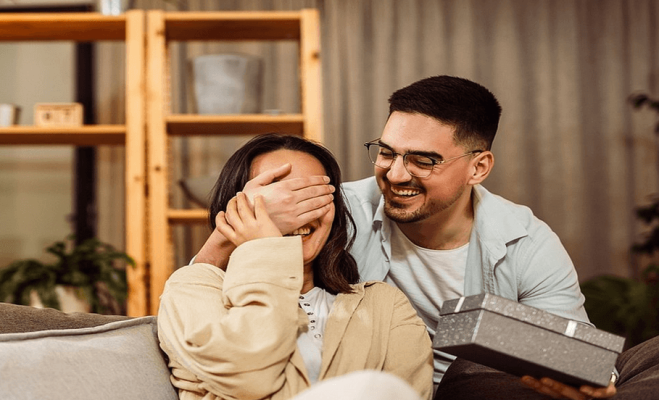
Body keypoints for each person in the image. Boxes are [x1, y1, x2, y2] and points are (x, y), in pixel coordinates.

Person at [192, 76, 620, 399]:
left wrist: (590, 379)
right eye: (387, 152)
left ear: (479, 167)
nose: (396, 174)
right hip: (392, 384)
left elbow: (575, 349)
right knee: (468, 370)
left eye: (423, 160)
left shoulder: (527, 241)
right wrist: (240, 217)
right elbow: (217, 284)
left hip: (490, 389)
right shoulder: (338, 209)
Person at [157, 133, 434, 400]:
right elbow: (248, 380)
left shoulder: (383, 305)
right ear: (237, 209)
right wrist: (263, 244)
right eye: (278, 195)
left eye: (311, 195)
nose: (293, 211)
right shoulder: (190, 292)